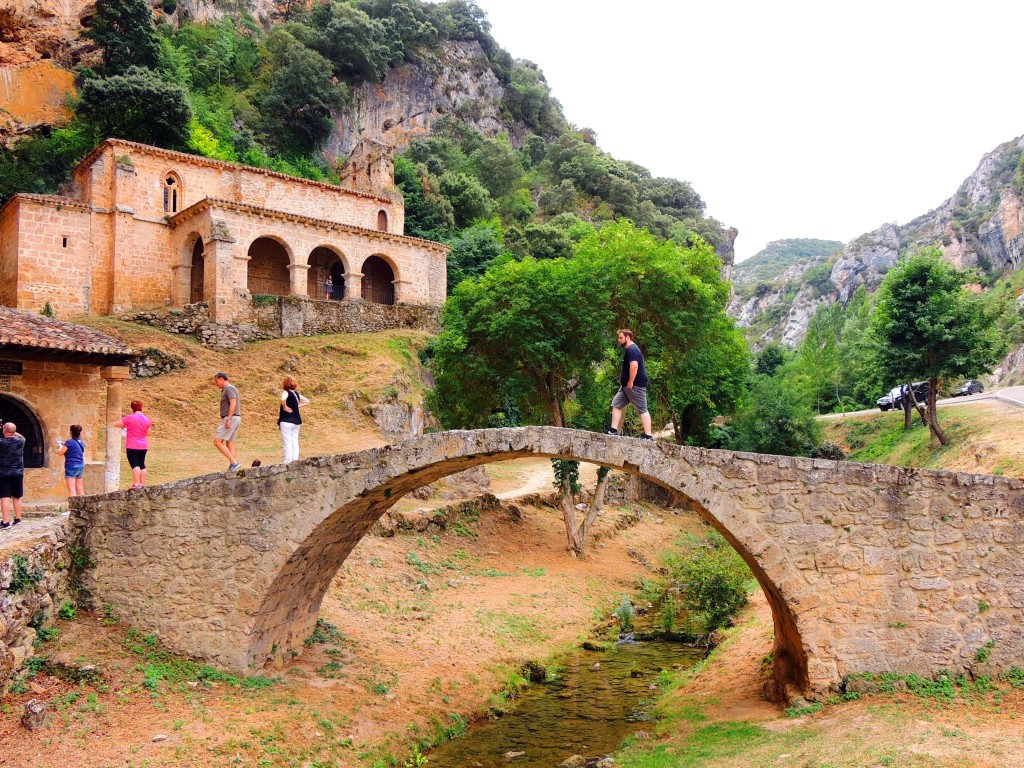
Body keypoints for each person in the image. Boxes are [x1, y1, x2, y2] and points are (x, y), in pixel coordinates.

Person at [605, 329, 654, 440]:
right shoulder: (629, 350)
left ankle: (648, 435)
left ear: (628, 337)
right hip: (626, 387)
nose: (619, 340)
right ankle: (613, 430)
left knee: (642, 409)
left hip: (635, 385)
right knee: (616, 404)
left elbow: (634, 366)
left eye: (621, 337)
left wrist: (631, 382)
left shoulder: (632, 349)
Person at [115, 401, 152, 488]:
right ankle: (142, 483)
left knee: (135, 464)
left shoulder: (129, 418)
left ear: (132, 408)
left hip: (132, 445)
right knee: (142, 464)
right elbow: (148, 433)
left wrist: (126, 427)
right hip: (143, 445)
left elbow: (116, 424)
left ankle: (136, 483)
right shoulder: (147, 419)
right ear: (141, 407)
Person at [278, 375, 311, 463]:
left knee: (287, 442)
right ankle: (295, 460)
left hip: (286, 420)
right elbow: (307, 401)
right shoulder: (296, 394)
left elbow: (282, 399)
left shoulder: (286, 392)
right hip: (296, 421)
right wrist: (297, 406)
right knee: (295, 441)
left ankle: (287, 461)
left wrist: (285, 406)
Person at [213, 372, 242, 472]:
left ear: (221, 379)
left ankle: (234, 463)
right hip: (235, 418)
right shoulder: (228, 389)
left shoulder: (228, 388)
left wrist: (228, 419)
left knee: (217, 442)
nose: (216, 384)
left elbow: (233, 403)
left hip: (231, 418)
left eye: (216, 381)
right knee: (229, 443)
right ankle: (233, 466)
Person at [0, 422, 25, 528]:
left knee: (4, 496)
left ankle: (6, 522)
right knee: (17, 496)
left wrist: (3, 429)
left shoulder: (1, 442)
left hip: (3, 473)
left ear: (4, 431)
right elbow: (22, 436)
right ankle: (18, 518)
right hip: (18, 473)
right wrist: (12, 431)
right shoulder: (20, 441)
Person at [57, 424, 86, 497]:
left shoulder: (69, 442)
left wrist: (60, 447)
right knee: (80, 488)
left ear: (71, 432)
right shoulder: (80, 442)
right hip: (80, 465)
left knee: (72, 490)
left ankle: (73, 507)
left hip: (72, 466)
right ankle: (83, 506)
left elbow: (60, 453)